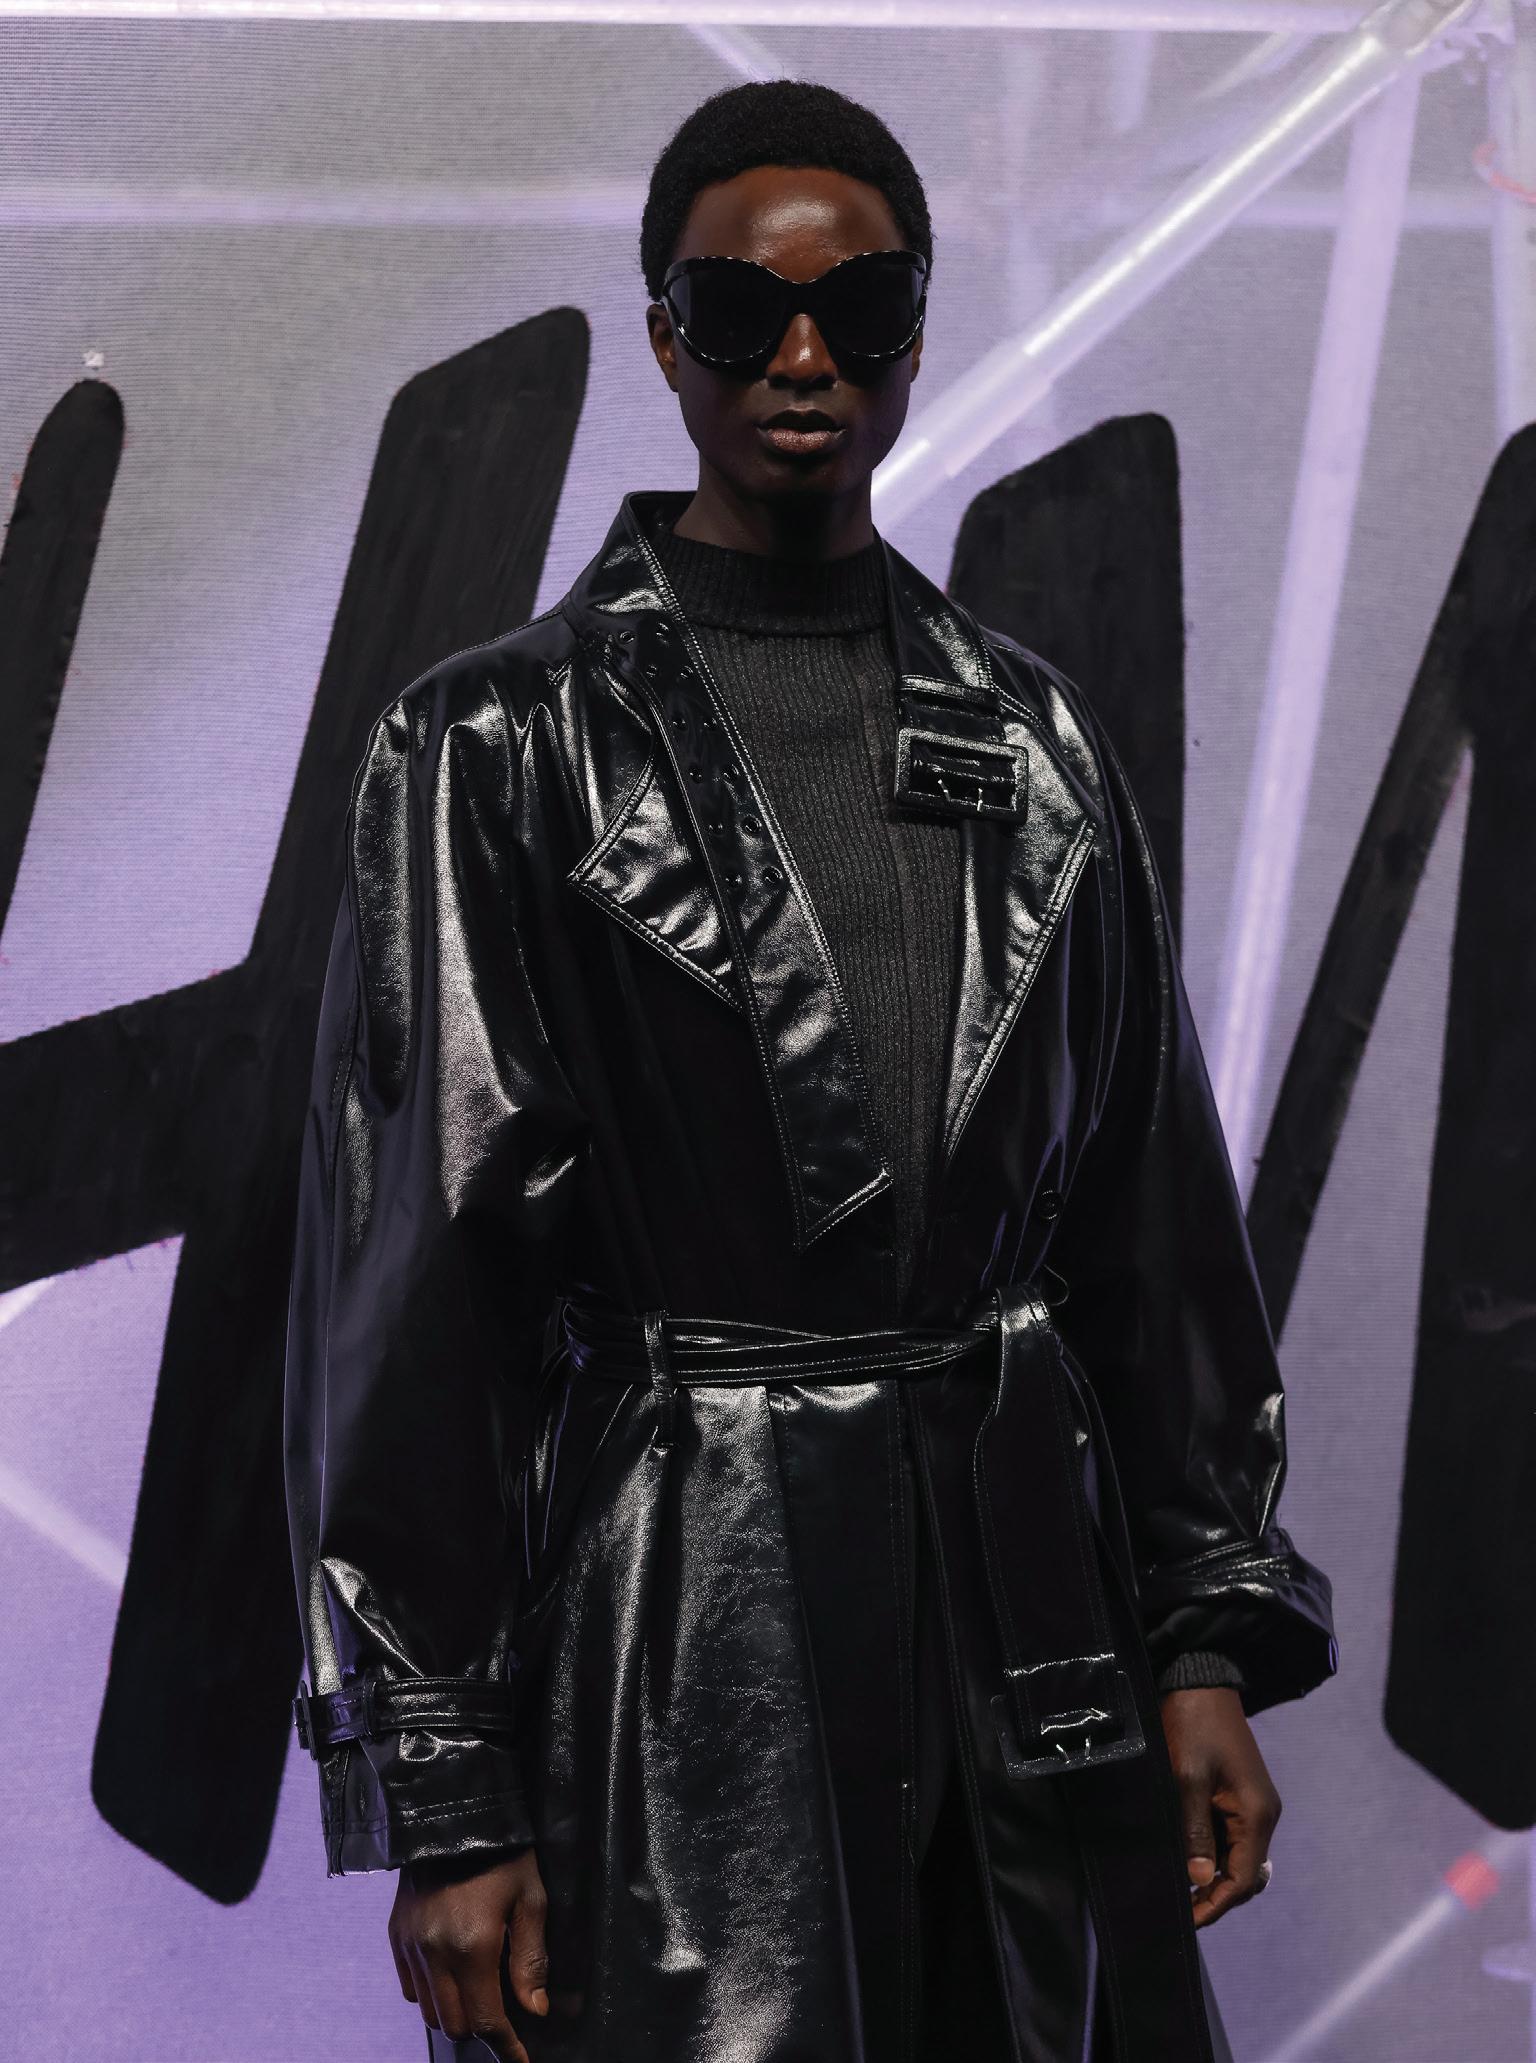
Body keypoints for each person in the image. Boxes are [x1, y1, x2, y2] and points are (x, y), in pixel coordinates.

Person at [283, 78, 1336, 2063]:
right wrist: (448, 1785)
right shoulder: (494, 749)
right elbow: (419, 1284)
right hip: (684, 1619)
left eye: (860, 311)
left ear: (917, 336)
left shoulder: (1033, 744)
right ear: (663, 334)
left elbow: (1151, 1224)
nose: (802, 359)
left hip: (1021, 1617)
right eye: (740, 309)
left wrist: (1204, 1633)